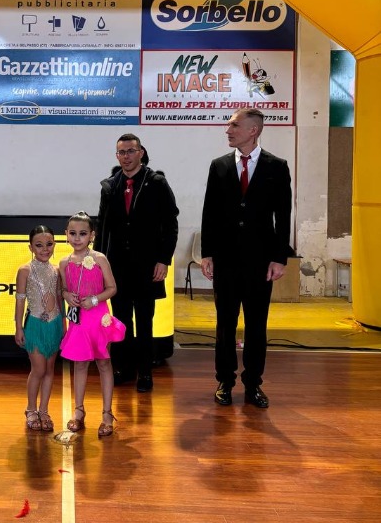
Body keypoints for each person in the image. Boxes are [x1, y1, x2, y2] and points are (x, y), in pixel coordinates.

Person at [200, 107, 292, 409]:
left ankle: (253, 383)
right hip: (225, 259)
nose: (228, 130)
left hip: (260, 261)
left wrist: (280, 258)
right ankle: (224, 381)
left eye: (234, 125)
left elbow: (283, 216)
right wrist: (207, 253)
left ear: (253, 130)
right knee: (225, 324)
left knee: (256, 324)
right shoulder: (219, 165)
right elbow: (210, 212)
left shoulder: (277, 166)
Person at [94, 134, 179, 393]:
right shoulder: (110, 186)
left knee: (144, 321)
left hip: (147, 266)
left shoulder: (156, 183)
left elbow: (171, 225)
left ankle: (145, 372)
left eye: (131, 151)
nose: (126, 156)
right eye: (122, 152)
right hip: (117, 267)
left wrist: (163, 260)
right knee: (120, 321)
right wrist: (99, 263)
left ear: (141, 152)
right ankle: (124, 368)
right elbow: (103, 227)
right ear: (117, 156)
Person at [59, 212, 126, 438]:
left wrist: (95, 300)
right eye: (73, 233)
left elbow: (112, 288)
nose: (77, 238)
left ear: (92, 235)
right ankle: (79, 411)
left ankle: (107, 413)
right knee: (79, 364)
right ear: (66, 235)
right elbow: (64, 288)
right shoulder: (64, 262)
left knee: (104, 363)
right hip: (78, 319)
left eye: (83, 233)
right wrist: (66, 295)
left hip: (98, 317)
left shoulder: (99, 259)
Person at [14, 225, 65, 432]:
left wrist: (63, 324)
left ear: (54, 244)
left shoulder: (57, 271)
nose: (45, 249)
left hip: (54, 324)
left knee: (50, 369)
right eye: (39, 245)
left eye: (49, 244)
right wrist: (18, 327)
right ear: (31, 247)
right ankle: (31, 409)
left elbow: (60, 299)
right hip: (35, 324)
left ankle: (44, 410)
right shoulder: (24, 271)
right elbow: (20, 301)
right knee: (39, 369)